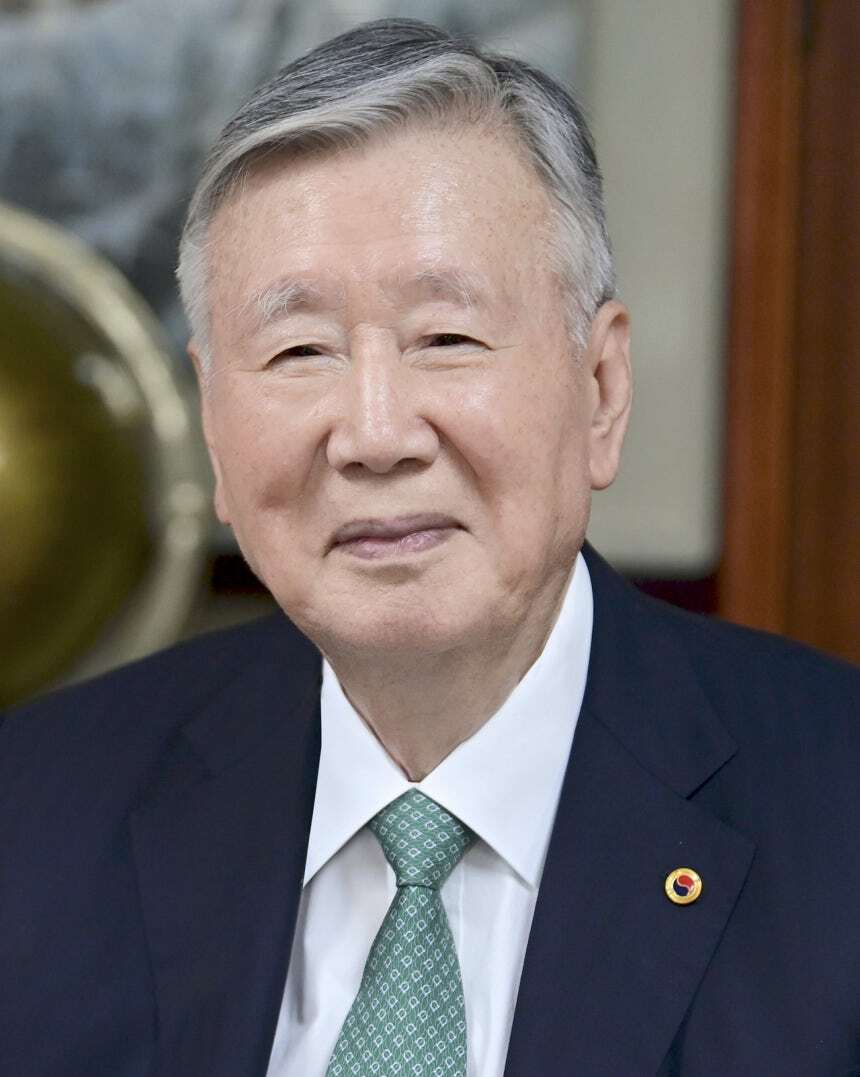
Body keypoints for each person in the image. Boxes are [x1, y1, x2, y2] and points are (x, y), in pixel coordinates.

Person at [1, 18, 857, 1077]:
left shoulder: (836, 821)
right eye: (299, 350)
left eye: (445, 339)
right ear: (212, 428)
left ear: (601, 390)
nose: (373, 435)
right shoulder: (36, 815)